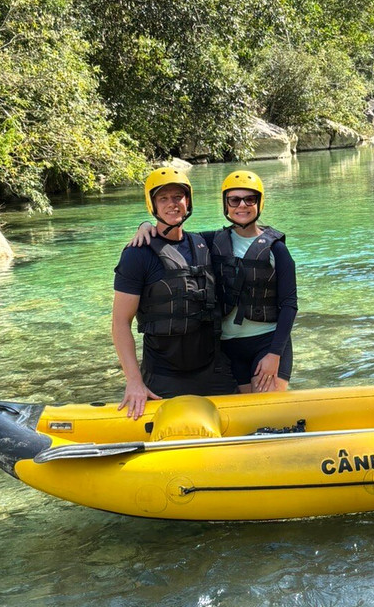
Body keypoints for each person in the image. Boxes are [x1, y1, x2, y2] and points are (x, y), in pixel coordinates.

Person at [130, 169, 298, 393]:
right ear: (226, 204)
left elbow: (289, 305)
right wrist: (145, 226)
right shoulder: (210, 241)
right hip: (228, 348)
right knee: (241, 419)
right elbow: (175, 236)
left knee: (266, 414)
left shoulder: (277, 250)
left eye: (249, 199)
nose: (242, 206)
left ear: (259, 203)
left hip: (267, 344)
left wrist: (275, 354)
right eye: (234, 200)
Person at [112, 167, 236, 419]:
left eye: (178, 197)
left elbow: (245, 229)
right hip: (164, 373)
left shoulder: (204, 243)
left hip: (213, 369)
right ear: (153, 204)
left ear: (187, 201)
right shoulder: (137, 255)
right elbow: (119, 322)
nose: (172, 204)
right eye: (163, 198)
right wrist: (134, 381)